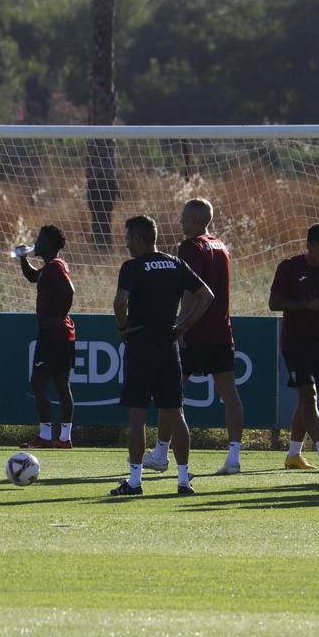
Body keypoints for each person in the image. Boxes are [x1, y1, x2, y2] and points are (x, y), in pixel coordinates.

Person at [110, 215, 214, 497]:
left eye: (129, 237)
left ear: (140, 239)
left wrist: (122, 327)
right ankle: (183, 480)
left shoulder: (132, 267)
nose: (126, 242)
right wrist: (185, 325)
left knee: (137, 418)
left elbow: (120, 301)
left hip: (141, 345)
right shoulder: (175, 263)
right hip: (169, 347)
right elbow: (207, 295)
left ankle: (134, 482)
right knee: (176, 414)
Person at [144, 198, 245, 475]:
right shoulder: (221, 246)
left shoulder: (190, 247)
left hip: (195, 331)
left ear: (197, 221)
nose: (180, 221)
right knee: (230, 393)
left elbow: (190, 290)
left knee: (170, 393)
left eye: (184, 217)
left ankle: (161, 453)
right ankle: (234, 457)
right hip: (222, 331)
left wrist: (182, 326)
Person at [268, 222, 319, 471]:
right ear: (310, 246)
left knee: (306, 401)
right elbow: (274, 303)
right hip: (294, 342)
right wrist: (307, 305)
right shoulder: (289, 267)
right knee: (308, 395)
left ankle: (293, 455)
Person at [17, 224, 76, 450]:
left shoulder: (55, 267)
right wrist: (23, 258)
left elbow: (69, 291)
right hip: (63, 334)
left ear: (50, 243)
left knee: (38, 381)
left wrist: (58, 317)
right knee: (62, 386)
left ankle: (45, 435)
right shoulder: (51, 266)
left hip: (54, 334)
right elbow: (33, 276)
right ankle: (64, 438)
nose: (36, 242)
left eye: (40, 239)